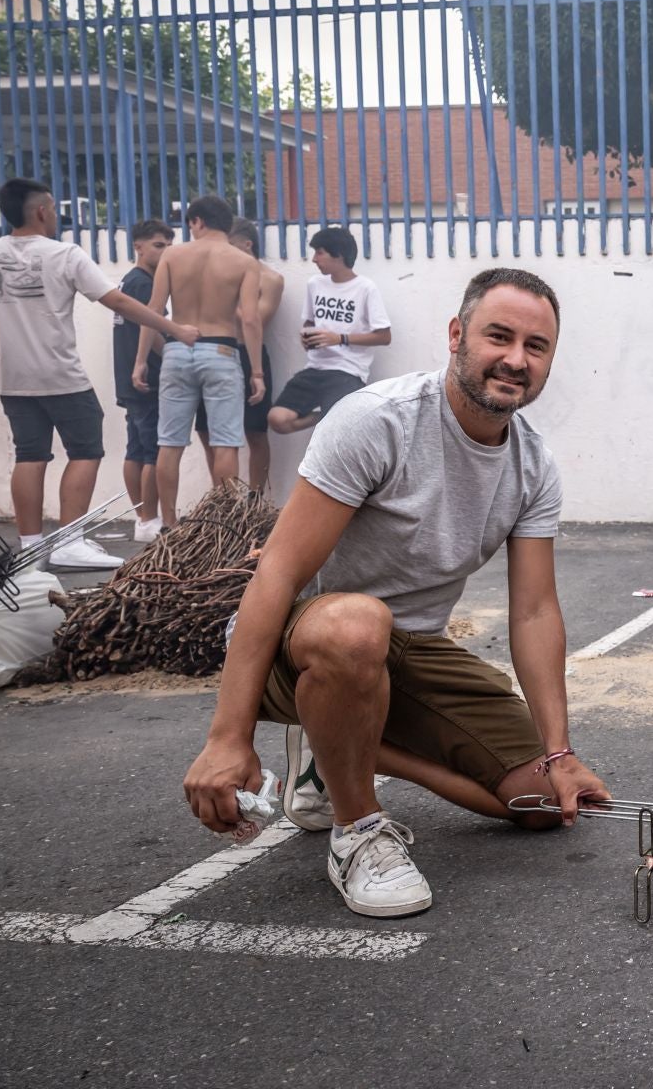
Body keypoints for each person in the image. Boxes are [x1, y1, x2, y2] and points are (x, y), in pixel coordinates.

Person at [182, 268, 610, 919]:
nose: (516, 360)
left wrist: (560, 751)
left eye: (536, 346)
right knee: (357, 625)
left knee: (543, 801)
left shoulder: (533, 467)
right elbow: (277, 573)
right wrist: (227, 736)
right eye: (499, 336)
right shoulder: (377, 423)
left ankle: (336, 746)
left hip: (408, 652)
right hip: (306, 644)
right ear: (457, 335)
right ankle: (357, 835)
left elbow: (533, 611)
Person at [0, 179, 198, 568]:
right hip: (60, 375)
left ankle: (30, 547)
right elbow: (118, 301)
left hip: (11, 376)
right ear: (42, 211)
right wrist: (174, 328)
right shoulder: (65, 254)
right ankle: (68, 542)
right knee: (85, 449)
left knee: (29, 454)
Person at [133, 195, 264, 528]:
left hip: (177, 349)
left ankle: (168, 524)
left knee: (170, 442)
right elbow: (250, 319)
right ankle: (226, 525)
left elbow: (154, 309)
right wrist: (257, 371)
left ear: (197, 222)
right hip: (221, 352)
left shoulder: (173, 256)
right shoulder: (243, 262)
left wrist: (140, 361)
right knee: (225, 442)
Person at [267, 227, 391, 437]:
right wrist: (306, 336)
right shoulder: (315, 284)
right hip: (315, 368)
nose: (314, 259)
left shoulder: (365, 288)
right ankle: (324, 415)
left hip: (348, 371)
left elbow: (384, 336)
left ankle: (330, 415)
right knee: (277, 419)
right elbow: (308, 321)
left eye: (320, 252)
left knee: (337, 430)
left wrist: (339, 339)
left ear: (339, 254)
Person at [194, 219, 283, 491]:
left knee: (255, 432)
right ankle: (223, 496)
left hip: (248, 355)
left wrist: (226, 295)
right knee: (206, 430)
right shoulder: (215, 275)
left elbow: (258, 319)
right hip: (215, 351)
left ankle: (255, 499)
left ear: (247, 244)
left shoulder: (271, 279)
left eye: (229, 246)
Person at [114, 219, 175, 542]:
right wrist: (173, 358)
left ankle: (141, 518)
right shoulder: (143, 283)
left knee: (136, 448)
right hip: (147, 378)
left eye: (168, 244)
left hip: (128, 378)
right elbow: (148, 330)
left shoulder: (129, 281)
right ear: (138, 246)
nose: (165, 251)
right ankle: (149, 519)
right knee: (151, 450)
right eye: (158, 245)